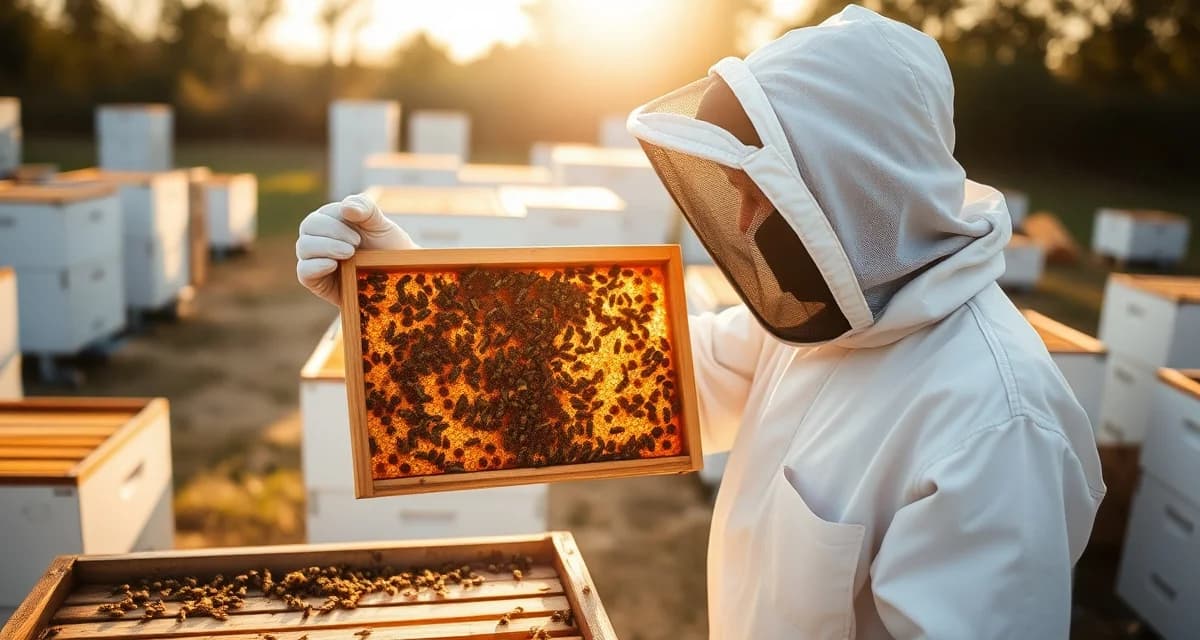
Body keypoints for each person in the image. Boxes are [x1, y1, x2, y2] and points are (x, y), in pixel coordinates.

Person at [297, 5, 1105, 638]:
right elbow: (625, 384)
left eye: (763, 185)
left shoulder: (999, 428)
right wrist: (413, 303)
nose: (746, 219)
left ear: (853, 182)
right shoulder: (812, 321)